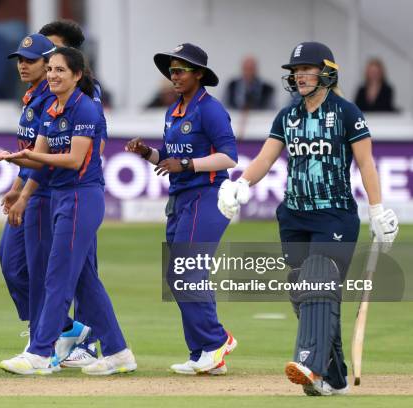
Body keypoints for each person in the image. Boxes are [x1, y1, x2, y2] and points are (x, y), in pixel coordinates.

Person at [217, 42, 399, 396]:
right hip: (293, 216)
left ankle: (310, 365)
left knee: (318, 280)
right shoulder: (288, 116)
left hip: (335, 216)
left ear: (326, 72)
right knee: (307, 293)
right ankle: (335, 376)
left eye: (306, 69)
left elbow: (366, 164)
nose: (298, 75)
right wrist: (240, 184)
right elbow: (267, 158)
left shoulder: (346, 113)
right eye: (295, 70)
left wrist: (377, 210)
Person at [0, 47, 136, 376]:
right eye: (50, 69)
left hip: (81, 197)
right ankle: (119, 352)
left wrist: (18, 157)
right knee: (85, 283)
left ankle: (39, 352)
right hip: (61, 198)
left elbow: (73, 160)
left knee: (57, 276)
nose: (52, 75)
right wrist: (10, 161)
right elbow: (37, 156)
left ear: (77, 75)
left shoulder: (86, 110)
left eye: (60, 70)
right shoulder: (52, 108)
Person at [125, 43, 238, 375]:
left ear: (198, 74)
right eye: (171, 71)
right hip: (181, 198)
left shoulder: (210, 109)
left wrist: (187, 163)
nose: (173, 76)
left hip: (209, 195)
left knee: (186, 271)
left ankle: (217, 340)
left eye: (180, 71)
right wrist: (148, 153)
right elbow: (168, 159)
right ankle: (204, 352)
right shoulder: (173, 110)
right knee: (180, 276)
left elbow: (230, 157)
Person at [0, 33, 88, 363]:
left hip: (51, 194)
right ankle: (62, 327)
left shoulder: (56, 99)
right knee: (11, 262)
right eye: (20, 59)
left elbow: (45, 155)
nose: (23, 65)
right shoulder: (32, 98)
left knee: (41, 272)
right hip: (33, 190)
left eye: (30, 60)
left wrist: (25, 189)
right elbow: (32, 153)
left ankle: (42, 342)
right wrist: (17, 187)